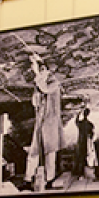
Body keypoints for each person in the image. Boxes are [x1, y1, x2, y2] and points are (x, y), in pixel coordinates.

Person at [27, 55, 63, 190]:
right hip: (41, 120)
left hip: (50, 122)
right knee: (34, 150)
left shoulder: (54, 82)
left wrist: (37, 72)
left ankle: (49, 179)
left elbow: (45, 89)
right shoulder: (40, 84)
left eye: (43, 69)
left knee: (50, 152)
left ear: (47, 70)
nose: (40, 72)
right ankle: (28, 177)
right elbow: (35, 100)